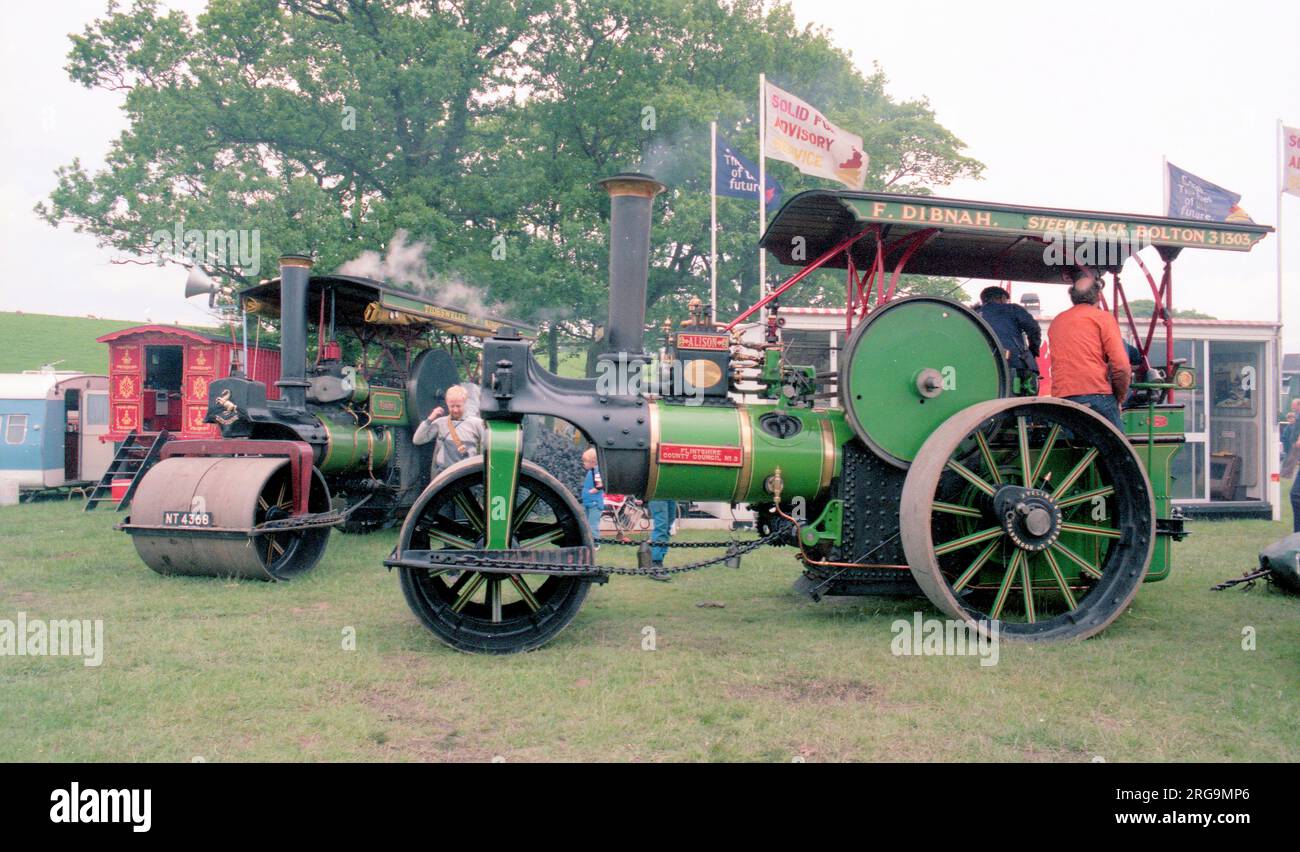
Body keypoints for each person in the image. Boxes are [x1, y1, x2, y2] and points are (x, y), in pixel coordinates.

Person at [1046, 267, 1129, 431]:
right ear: (1098, 295)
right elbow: (1121, 366)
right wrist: (1119, 398)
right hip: (1096, 395)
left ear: (1073, 297)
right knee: (1120, 452)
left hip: (1062, 397)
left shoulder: (1057, 321)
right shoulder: (1103, 318)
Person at [974, 286, 1041, 391]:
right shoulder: (1012, 309)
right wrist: (1033, 350)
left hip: (981, 366)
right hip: (1013, 363)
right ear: (1002, 298)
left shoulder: (974, 313)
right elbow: (1034, 329)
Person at [412, 385, 485, 478]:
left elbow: (486, 448)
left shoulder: (476, 424)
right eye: (452, 406)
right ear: (447, 403)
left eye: (458, 406)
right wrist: (429, 419)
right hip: (443, 476)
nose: (455, 410)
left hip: (466, 475)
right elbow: (417, 440)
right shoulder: (440, 423)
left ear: (465, 402)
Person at [646, 500, 676, 582]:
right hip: (658, 494)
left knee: (668, 524)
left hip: (669, 493)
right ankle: (655, 564)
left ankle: (658, 562)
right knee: (661, 526)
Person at [581, 447, 605, 546]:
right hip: (588, 502)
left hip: (594, 503)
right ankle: (587, 542)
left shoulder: (597, 471)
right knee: (586, 524)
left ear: (593, 461)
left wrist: (595, 489)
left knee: (592, 524)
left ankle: (595, 544)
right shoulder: (591, 471)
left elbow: (600, 483)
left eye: (585, 461)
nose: (584, 463)